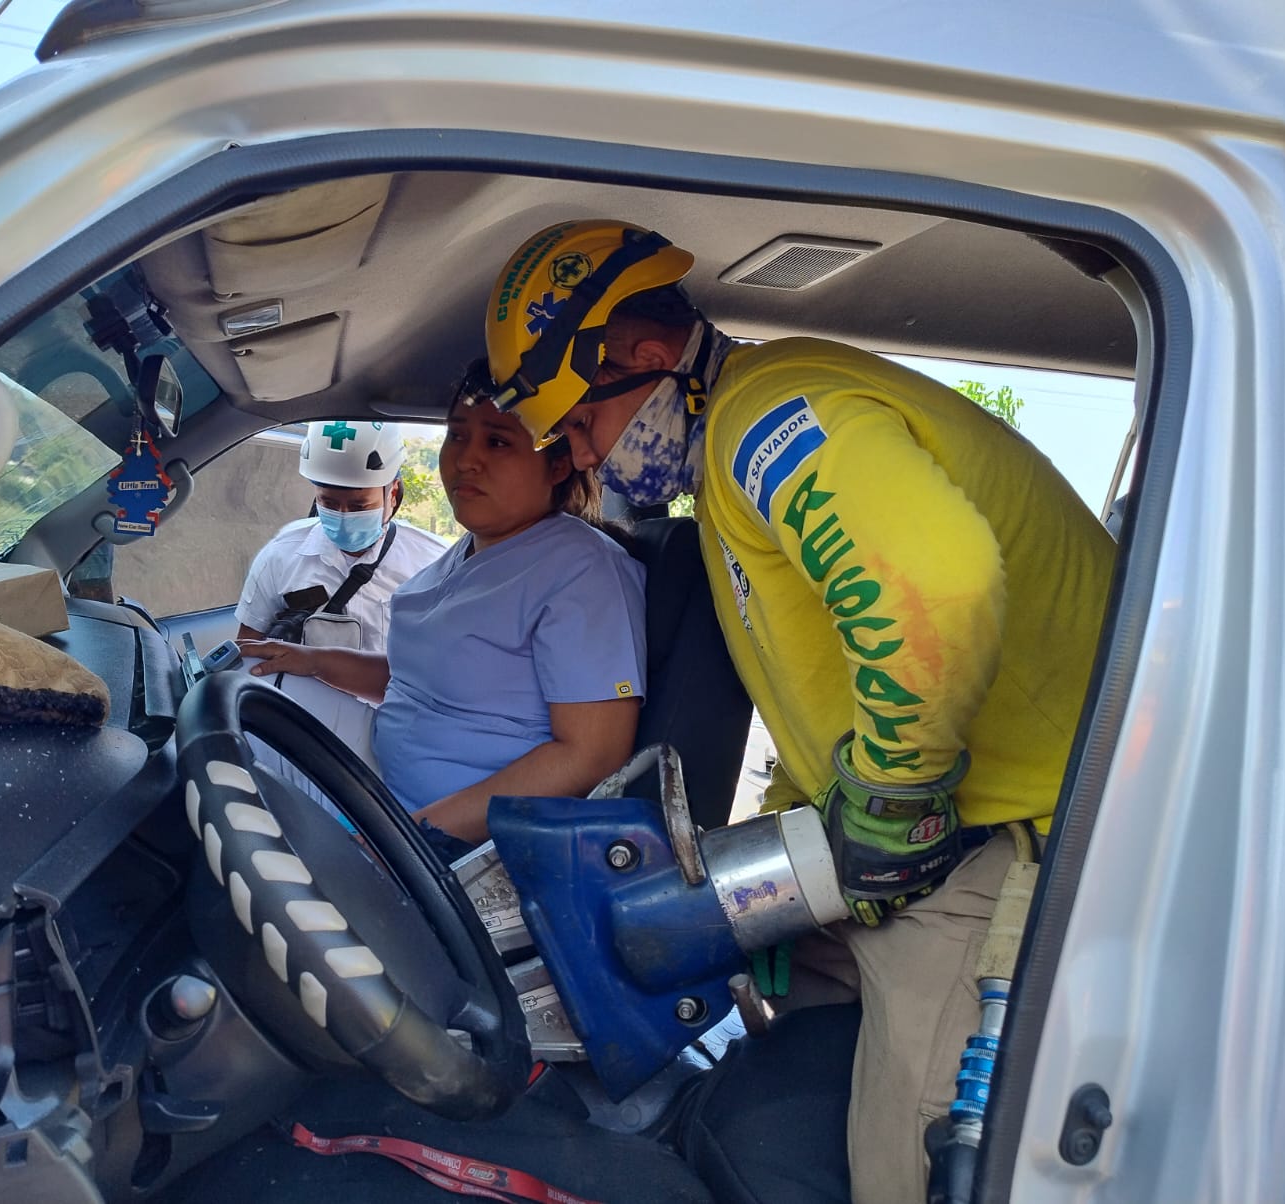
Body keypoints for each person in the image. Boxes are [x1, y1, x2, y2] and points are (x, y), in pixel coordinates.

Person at [478, 220, 1116, 1204]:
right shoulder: (732, 469)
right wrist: (793, 843)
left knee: (910, 1171)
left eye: (579, 423)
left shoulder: (770, 413)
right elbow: (818, 693)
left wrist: (892, 796)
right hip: (921, 850)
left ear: (645, 356)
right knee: (771, 1082)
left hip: (1003, 848)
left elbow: (934, 588)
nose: (582, 453)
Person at [241, 366, 648, 856]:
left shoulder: (582, 570)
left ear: (558, 465)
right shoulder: (473, 550)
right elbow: (414, 677)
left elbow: (591, 756)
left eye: (497, 442)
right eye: (456, 435)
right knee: (248, 690)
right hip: (386, 772)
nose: (466, 460)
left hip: (446, 832)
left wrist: (404, 840)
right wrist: (312, 661)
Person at [235, 420, 445, 652]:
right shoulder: (280, 555)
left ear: (392, 494)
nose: (343, 516)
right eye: (329, 503)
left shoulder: (432, 563)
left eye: (359, 506)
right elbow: (248, 647)